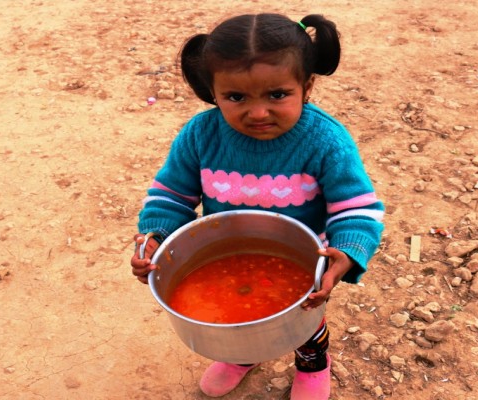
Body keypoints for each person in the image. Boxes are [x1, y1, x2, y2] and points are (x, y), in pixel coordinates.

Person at [131, 12, 385, 400]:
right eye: (236, 97)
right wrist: (155, 238)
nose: (258, 112)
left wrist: (348, 253)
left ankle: (314, 365)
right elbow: (171, 196)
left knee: (304, 324)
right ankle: (241, 356)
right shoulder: (200, 136)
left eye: (277, 95)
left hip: (304, 265)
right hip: (226, 263)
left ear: (306, 85)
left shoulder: (326, 142)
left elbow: (356, 208)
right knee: (237, 323)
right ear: (212, 92)